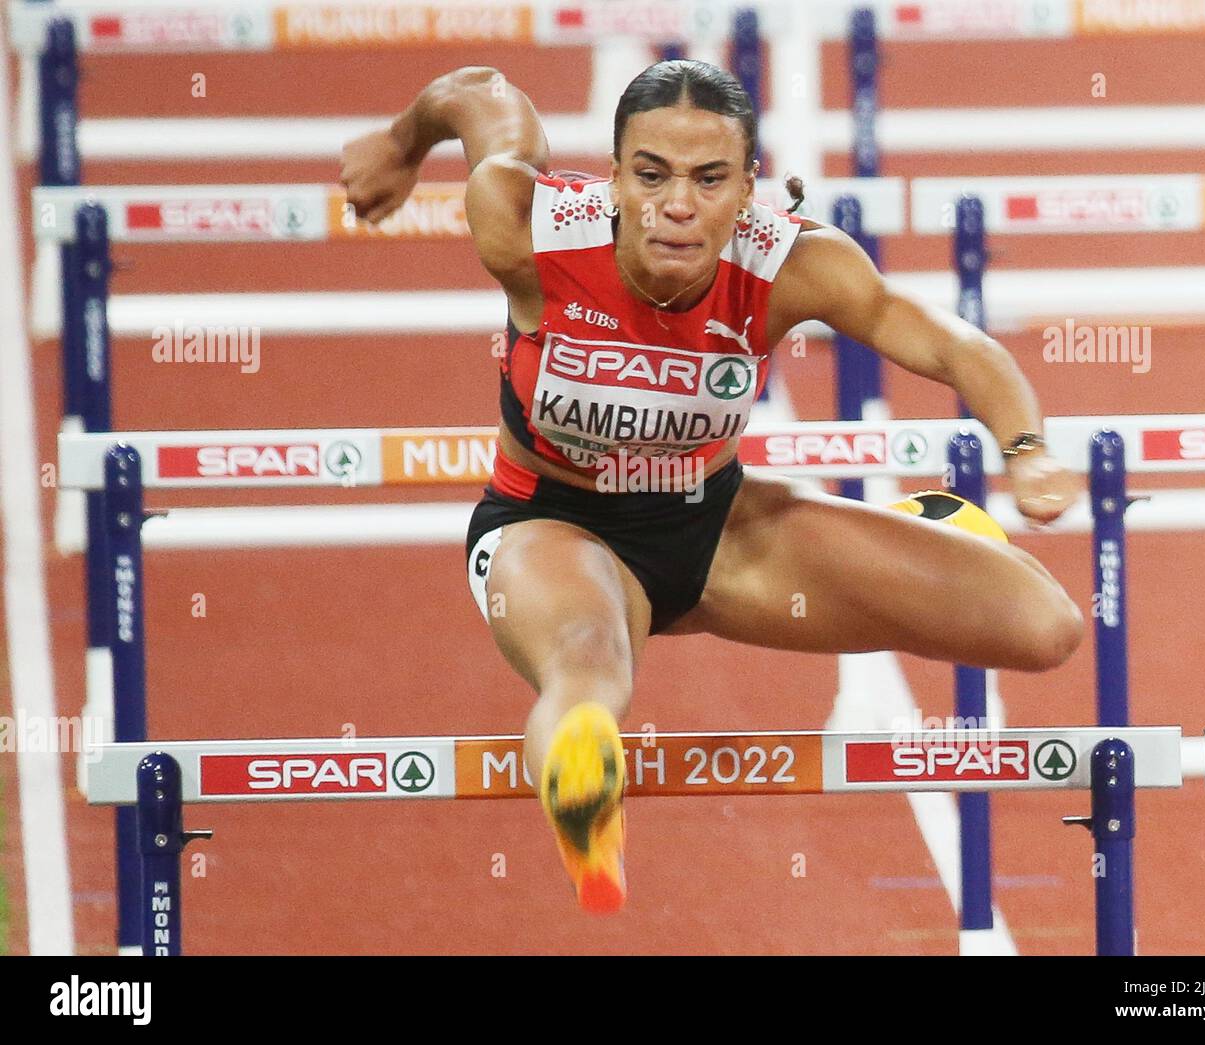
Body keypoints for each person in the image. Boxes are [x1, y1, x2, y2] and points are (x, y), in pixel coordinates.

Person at [341, 59, 1084, 914]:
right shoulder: (526, 221)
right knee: (588, 666)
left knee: (1044, 626)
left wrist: (1025, 446)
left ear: (749, 188)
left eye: (709, 179)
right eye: (650, 175)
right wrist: (401, 144)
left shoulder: (792, 263)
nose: (678, 207)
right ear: (615, 177)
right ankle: (584, 798)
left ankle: (924, 529)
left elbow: (949, 343)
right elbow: (481, 92)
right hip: (550, 524)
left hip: (719, 529)